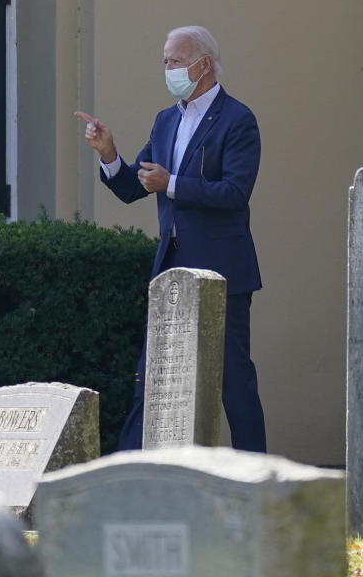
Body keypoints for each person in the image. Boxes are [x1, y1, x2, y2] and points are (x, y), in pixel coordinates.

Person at [75, 25, 267, 452]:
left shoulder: (238, 119)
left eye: (175, 61)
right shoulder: (166, 120)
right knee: (153, 375)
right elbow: (133, 187)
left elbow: (235, 192)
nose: (168, 69)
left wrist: (173, 182)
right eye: (165, 61)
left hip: (224, 272)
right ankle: (131, 471)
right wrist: (109, 154)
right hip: (171, 270)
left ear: (203, 64)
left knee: (234, 384)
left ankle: (259, 482)